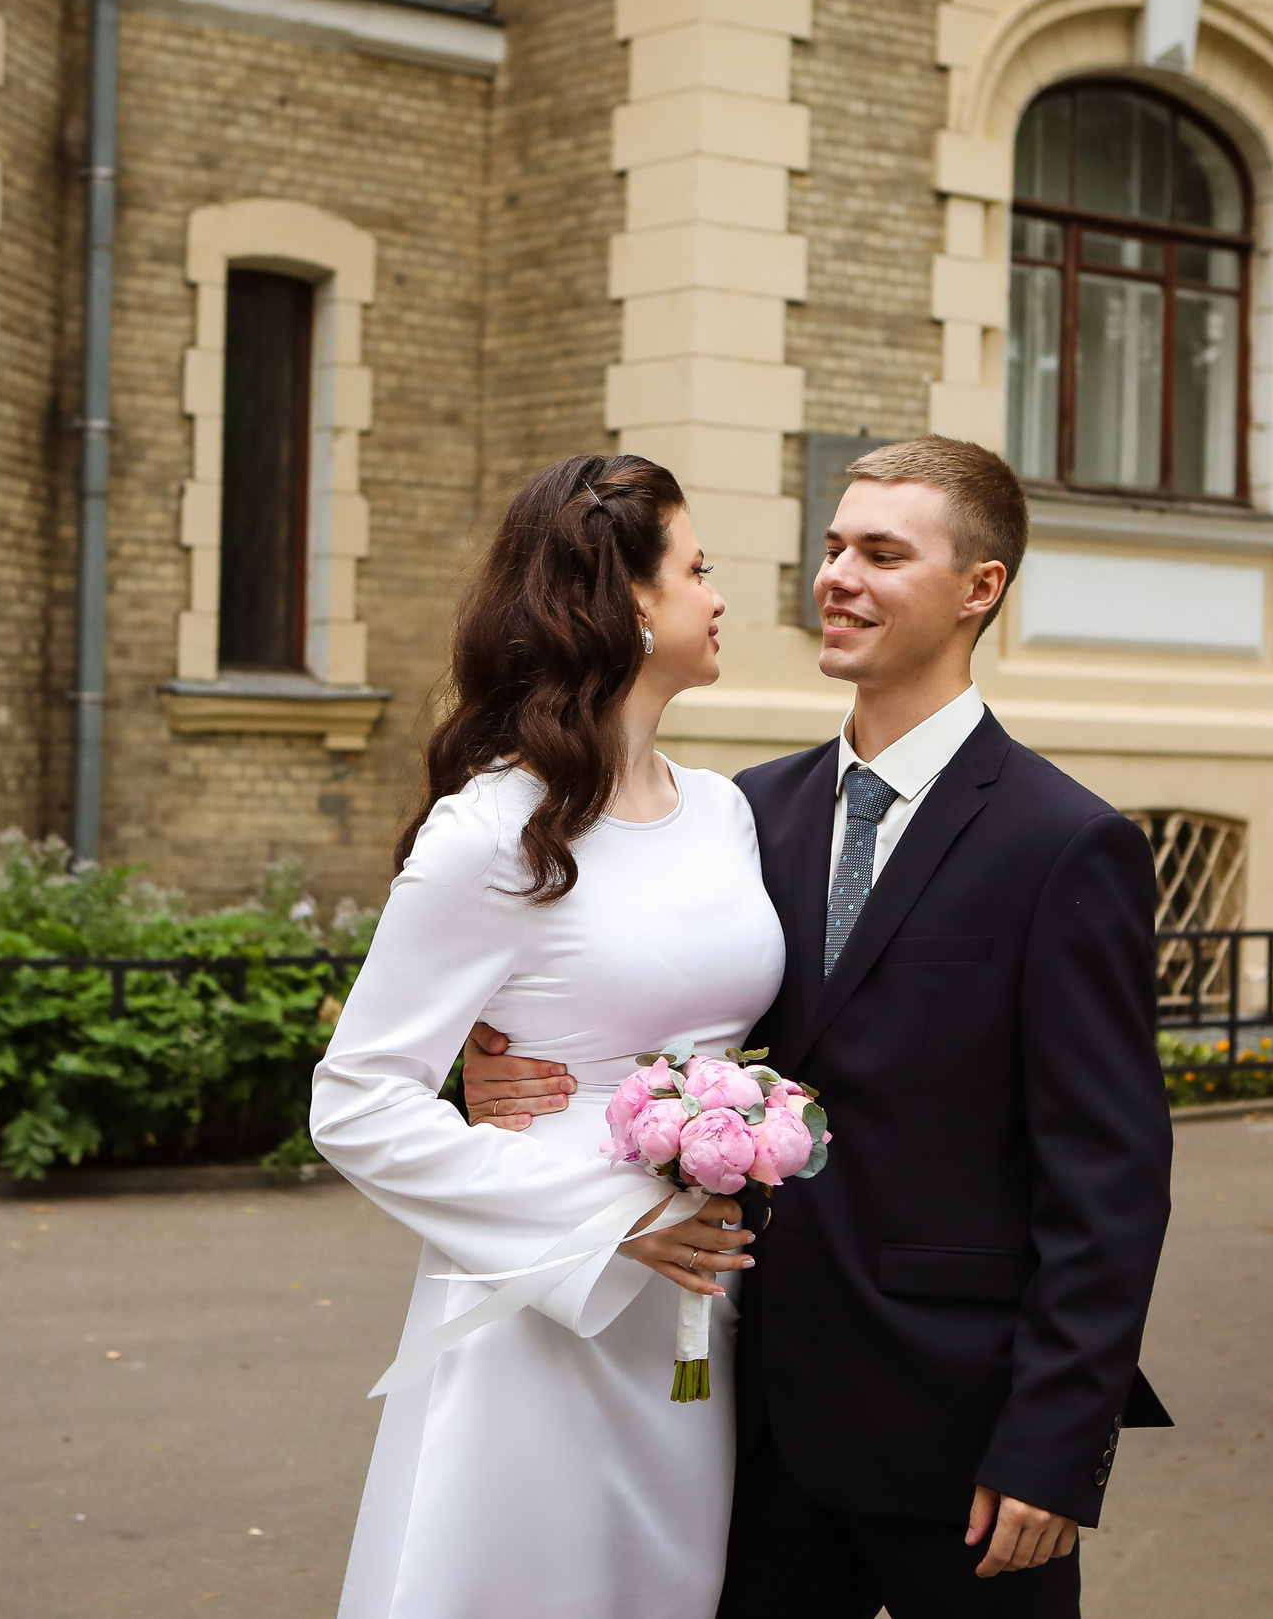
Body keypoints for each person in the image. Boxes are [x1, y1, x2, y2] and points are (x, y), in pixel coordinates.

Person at [462, 436, 1174, 1618]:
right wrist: (500, 1085)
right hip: (745, 1417)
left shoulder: (1065, 844)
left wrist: (1054, 1443)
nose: (836, 574)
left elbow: (1108, 1177)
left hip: (963, 1442)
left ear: (978, 588)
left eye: (882, 553)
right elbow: (651, 1011)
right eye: (833, 545)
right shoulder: (744, 812)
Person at [308, 454, 783, 1619]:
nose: (719, 597)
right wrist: (603, 1222)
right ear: (627, 601)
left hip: (705, 1300)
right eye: (697, 569)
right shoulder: (494, 832)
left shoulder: (724, 812)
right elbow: (357, 1101)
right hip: (548, 1295)